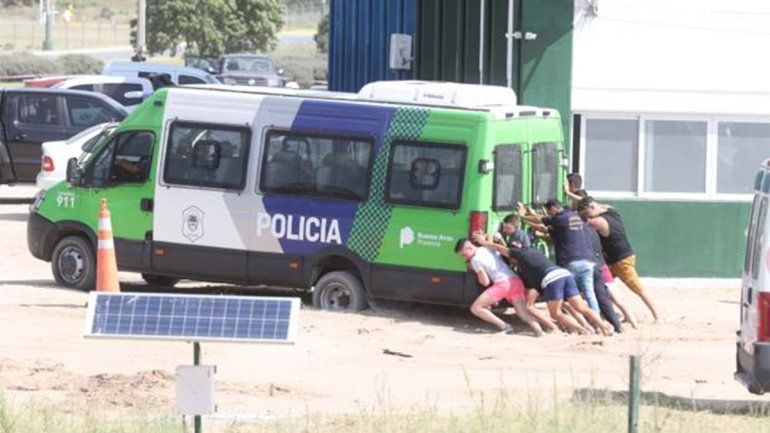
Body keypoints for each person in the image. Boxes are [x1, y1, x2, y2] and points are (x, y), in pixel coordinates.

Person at [472, 233, 613, 336]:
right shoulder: (535, 251)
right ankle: (603, 327)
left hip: (552, 279)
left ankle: (585, 331)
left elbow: (500, 248)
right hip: (564, 274)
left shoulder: (520, 254)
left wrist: (484, 243)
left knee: (555, 313)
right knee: (581, 307)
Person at [578, 196, 660, 321]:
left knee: (638, 289)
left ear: (592, 207)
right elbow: (606, 206)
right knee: (605, 285)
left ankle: (658, 316)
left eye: (587, 213)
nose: (587, 216)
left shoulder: (598, 221)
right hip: (618, 259)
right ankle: (626, 314)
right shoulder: (612, 212)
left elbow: (581, 224)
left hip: (620, 260)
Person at [517, 200, 600, 315]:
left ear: (553, 208)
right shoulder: (573, 216)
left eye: (549, 212)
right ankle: (596, 319)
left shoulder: (560, 218)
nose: (550, 215)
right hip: (586, 261)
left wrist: (522, 216)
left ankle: (572, 320)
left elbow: (539, 220)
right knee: (589, 293)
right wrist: (528, 221)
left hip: (571, 261)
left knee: (567, 295)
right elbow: (544, 229)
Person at [454, 238, 544, 336]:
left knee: (476, 308)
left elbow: (485, 282)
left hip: (503, 284)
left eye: (463, 255)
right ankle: (540, 331)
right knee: (523, 313)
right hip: (516, 281)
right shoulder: (487, 248)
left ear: (468, 248)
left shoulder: (475, 260)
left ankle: (505, 326)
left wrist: (476, 271)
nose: (464, 258)